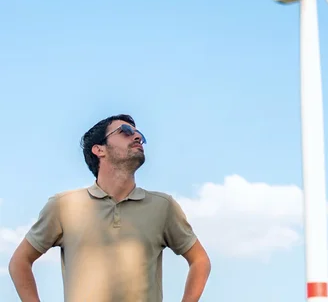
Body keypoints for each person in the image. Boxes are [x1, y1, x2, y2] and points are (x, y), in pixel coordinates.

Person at [8, 114, 211, 302]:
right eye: (125, 131)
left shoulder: (163, 207)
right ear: (99, 149)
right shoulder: (63, 206)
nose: (137, 136)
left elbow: (200, 260)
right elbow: (20, 262)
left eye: (139, 133)